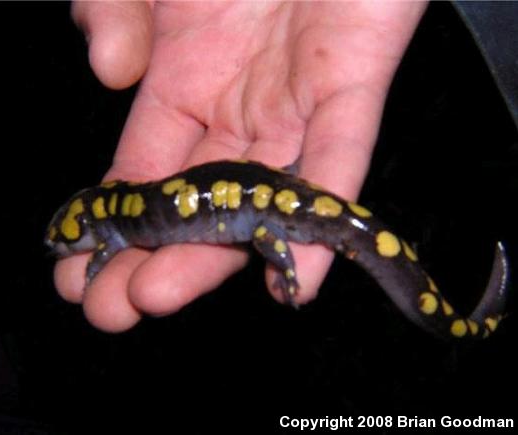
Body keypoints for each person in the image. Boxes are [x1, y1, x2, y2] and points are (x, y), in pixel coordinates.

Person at [54, 1, 428, 332]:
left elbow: (102, 251)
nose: (59, 245)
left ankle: (295, 263)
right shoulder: (111, 210)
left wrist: (93, 267)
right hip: (264, 189)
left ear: (87, 227)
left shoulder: (109, 232)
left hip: (264, 206)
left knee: (269, 232)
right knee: (270, 218)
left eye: (62, 239)